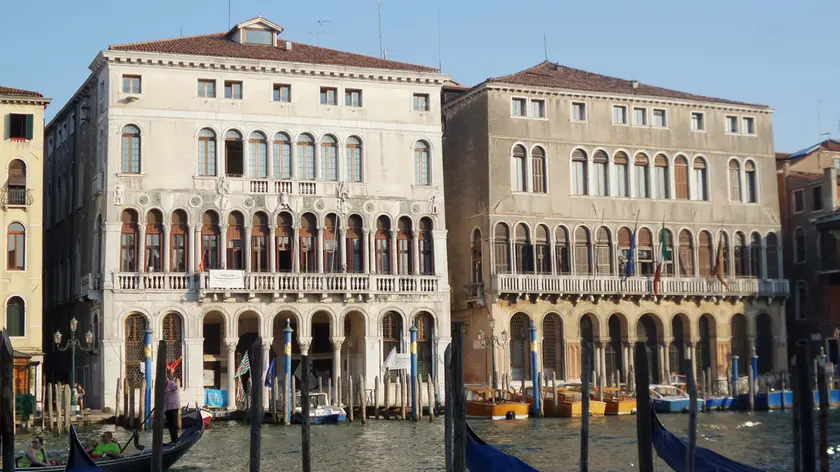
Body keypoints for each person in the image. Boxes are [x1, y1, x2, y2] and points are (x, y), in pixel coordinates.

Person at [164, 371, 180, 444]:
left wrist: (169, 390)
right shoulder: (162, 386)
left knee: (174, 423)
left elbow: (176, 387)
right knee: (170, 424)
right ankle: (173, 440)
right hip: (166, 408)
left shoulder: (171, 383)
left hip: (173, 407)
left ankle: (176, 439)